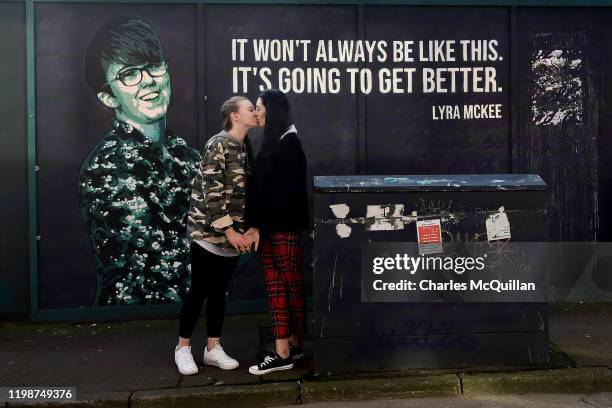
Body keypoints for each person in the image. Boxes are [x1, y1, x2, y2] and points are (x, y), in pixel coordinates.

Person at [78, 17, 200, 306]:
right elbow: (170, 264)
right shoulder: (105, 170)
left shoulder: (187, 155)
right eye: (129, 74)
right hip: (137, 322)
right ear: (108, 97)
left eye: (154, 65)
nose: (148, 79)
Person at [174, 96, 259, 376]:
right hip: (208, 234)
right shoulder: (218, 143)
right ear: (234, 116)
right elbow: (212, 192)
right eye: (250, 109)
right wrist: (230, 231)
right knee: (199, 290)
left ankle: (213, 349)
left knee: (219, 293)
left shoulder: (244, 146)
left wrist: (246, 229)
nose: (255, 112)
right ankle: (183, 348)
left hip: (232, 237)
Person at [248, 89, 310, 375]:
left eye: (259, 107)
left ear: (271, 110)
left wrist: (257, 226)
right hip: (278, 230)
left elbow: (276, 196)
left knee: (282, 289)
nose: (256, 112)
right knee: (287, 288)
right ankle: (291, 345)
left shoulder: (288, 145)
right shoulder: (284, 143)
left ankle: (284, 351)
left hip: (279, 231)